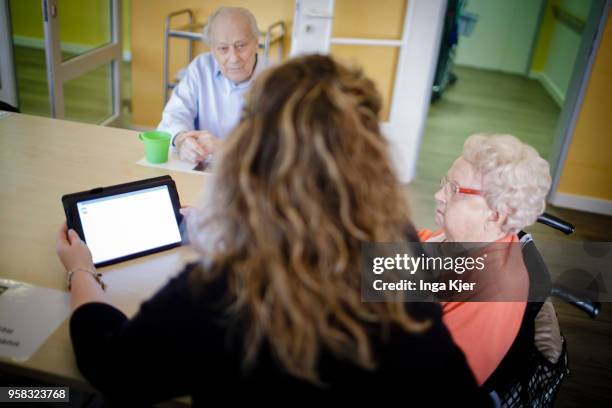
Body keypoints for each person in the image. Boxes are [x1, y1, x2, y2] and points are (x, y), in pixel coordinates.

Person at [57, 55, 489, 406]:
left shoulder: (223, 293)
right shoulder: (398, 243)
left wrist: (81, 272)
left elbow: (114, 370)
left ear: (249, 157)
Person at [419, 133, 552, 385]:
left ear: (496, 214)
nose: (439, 195)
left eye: (454, 190)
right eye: (445, 183)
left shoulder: (490, 291)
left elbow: (434, 381)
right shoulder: (466, 237)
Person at [158, 7, 263, 164]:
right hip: (201, 170)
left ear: (256, 42)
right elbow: (175, 114)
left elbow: (282, 148)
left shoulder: (278, 78)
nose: (233, 58)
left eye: (241, 46)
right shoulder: (201, 67)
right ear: (212, 49)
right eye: (223, 48)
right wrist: (182, 141)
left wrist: (224, 148)